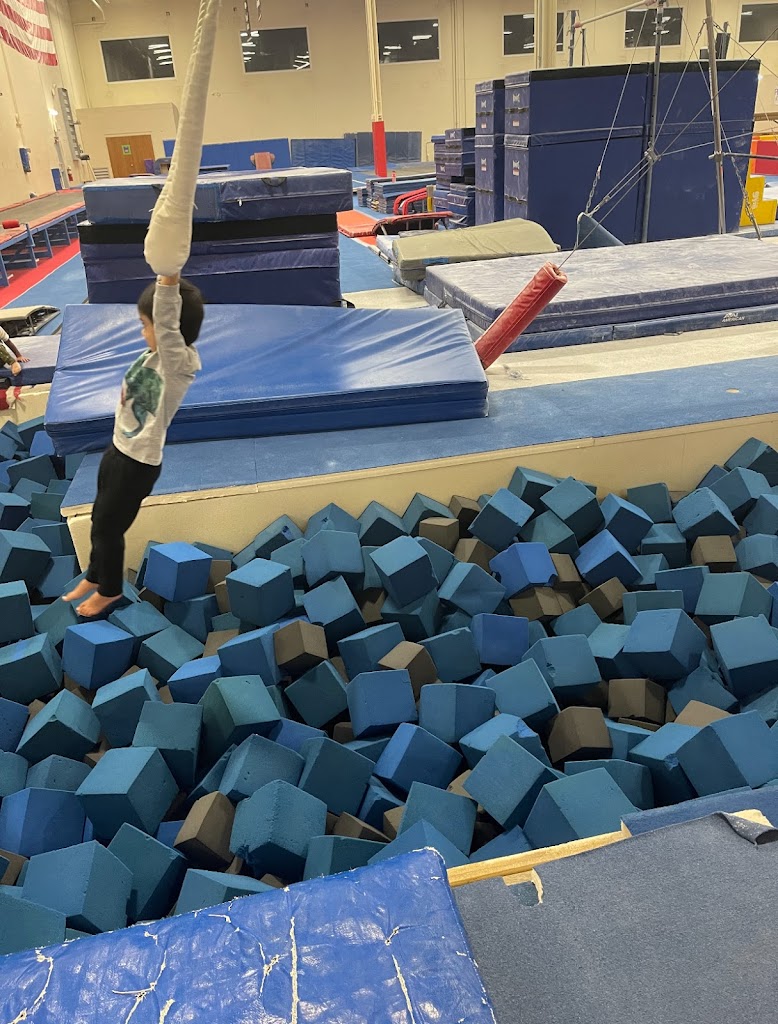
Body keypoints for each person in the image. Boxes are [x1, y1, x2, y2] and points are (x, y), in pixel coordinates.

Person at [64, 274, 204, 617]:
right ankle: (95, 575)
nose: (143, 333)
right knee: (99, 518)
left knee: (109, 528)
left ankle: (109, 589)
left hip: (137, 463)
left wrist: (167, 280)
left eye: (146, 325)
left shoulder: (176, 363)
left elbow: (168, 323)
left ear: (169, 329)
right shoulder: (154, 355)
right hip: (118, 450)